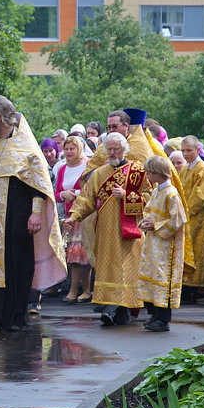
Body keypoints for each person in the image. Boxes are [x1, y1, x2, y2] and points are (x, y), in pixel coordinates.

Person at [0, 95, 64, 332]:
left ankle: (16, 316)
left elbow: (38, 184)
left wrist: (36, 214)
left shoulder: (25, 146)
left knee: (18, 265)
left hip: (18, 216)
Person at [64, 133, 151, 327]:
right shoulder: (99, 173)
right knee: (109, 269)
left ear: (124, 150)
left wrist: (127, 195)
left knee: (125, 270)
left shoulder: (137, 171)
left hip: (129, 231)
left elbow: (149, 197)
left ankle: (118, 311)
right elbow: (86, 199)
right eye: (109, 149)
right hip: (104, 230)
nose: (112, 152)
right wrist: (73, 216)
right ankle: (112, 309)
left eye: (116, 149)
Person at [136, 156, 187, 332]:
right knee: (151, 274)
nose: (147, 175)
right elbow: (148, 209)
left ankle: (163, 319)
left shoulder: (171, 193)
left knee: (162, 277)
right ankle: (154, 314)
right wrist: (145, 221)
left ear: (158, 173)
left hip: (166, 246)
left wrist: (156, 225)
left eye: (149, 172)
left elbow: (179, 219)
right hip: (153, 242)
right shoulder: (158, 190)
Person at [179, 135, 204, 298]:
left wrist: (187, 210)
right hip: (185, 215)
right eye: (183, 151)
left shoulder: (203, 169)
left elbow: (203, 193)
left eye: (189, 150)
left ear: (198, 150)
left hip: (199, 217)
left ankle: (198, 287)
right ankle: (186, 285)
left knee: (199, 249)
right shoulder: (184, 168)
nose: (186, 154)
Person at [55, 135, 91, 303]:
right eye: (66, 149)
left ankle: (85, 289)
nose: (69, 152)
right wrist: (63, 194)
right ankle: (74, 289)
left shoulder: (88, 166)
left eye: (72, 149)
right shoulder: (62, 168)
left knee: (83, 254)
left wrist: (75, 194)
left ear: (79, 149)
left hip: (84, 215)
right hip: (69, 215)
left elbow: (92, 189)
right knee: (72, 254)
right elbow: (56, 193)